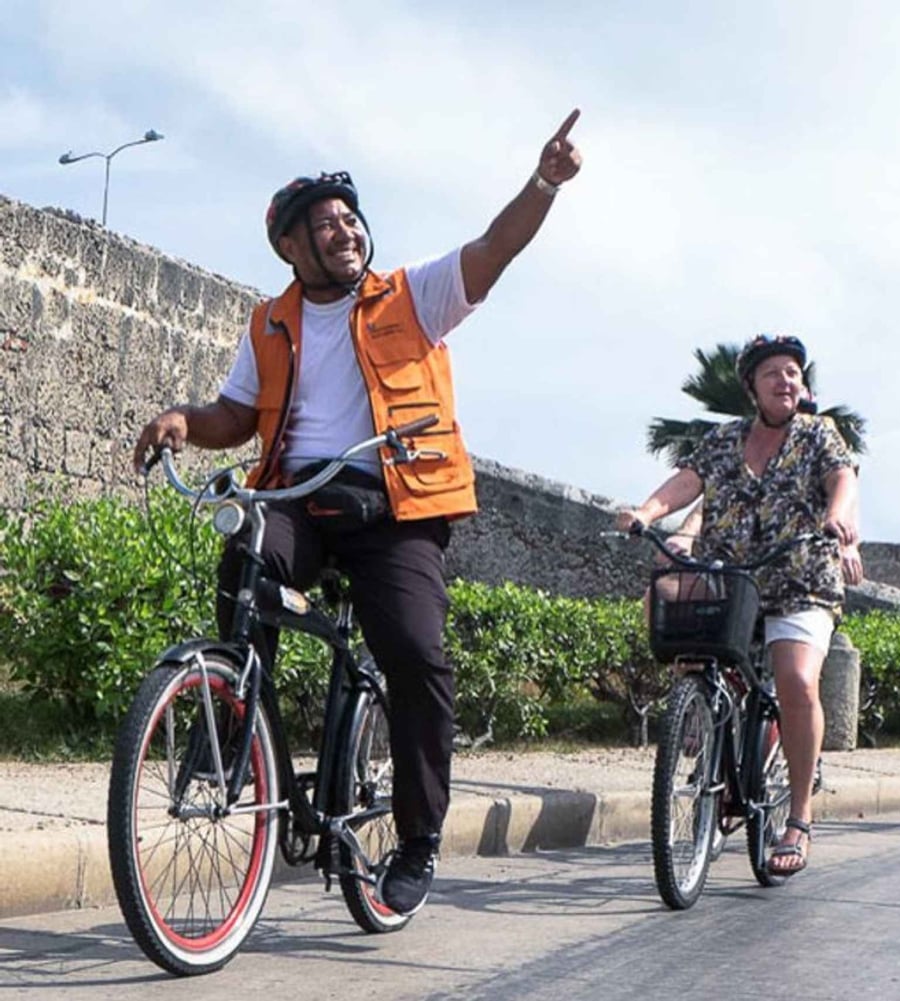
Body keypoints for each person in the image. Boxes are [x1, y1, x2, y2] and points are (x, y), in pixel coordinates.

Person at [130, 110, 584, 916]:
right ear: (291, 249)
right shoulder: (269, 322)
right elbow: (235, 416)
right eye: (324, 225)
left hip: (395, 506)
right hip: (301, 498)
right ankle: (236, 734)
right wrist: (183, 421)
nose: (343, 231)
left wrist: (543, 181)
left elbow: (494, 247)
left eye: (349, 219)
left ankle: (417, 839)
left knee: (412, 650)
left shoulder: (414, 295)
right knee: (244, 549)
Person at [616, 333, 861, 877]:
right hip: (733, 577)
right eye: (773, 373)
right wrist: (647, 512)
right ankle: (706, 731)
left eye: (794, 372)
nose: (786, 381)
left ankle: (798, 817)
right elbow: (687, 482)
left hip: (800, 576)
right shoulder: (725, 440)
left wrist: (839, 517)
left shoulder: (818, 435)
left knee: (796, 679)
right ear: (751, 386)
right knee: (679, 617)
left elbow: (842, 478)